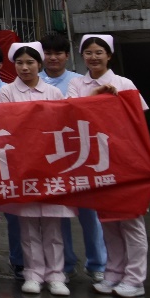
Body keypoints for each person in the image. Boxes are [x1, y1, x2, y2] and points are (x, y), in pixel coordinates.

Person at [68, 34, 150, 298]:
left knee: (131, 221)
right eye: (88, 53)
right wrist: (95, 97)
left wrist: (147, 158)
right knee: (109, 222)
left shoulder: (124, 83)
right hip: (96, 161)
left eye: (99, 52)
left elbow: (139, 123)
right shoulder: (76, 84)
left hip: (125, 159)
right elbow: (70, 115)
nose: (93, 57)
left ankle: (135, 279)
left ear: (109, 55)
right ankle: (113, 273)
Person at [0, 42, 71, 297]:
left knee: (53, 224)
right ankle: (33, 273)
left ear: (39, 64)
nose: (25, 67)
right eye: (19, 63)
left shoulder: (53, 92)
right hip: (22, 166)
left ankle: (56, 275)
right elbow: (3, 125)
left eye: (30, 62)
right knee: (27, 225)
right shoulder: (6, 92)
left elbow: (62, 125)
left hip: (51, 165)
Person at [41, 31, 104, 284]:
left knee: (91, 214)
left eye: (58, 53)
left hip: (81, 154)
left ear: (67, 56)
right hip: (49, 158)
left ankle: (98, 264)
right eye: (48, 53)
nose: (53, 57)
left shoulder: (79, 82)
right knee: (58, 216)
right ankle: (65, 265)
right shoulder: (34, 80)